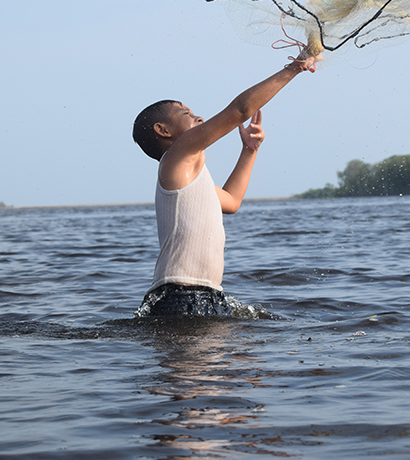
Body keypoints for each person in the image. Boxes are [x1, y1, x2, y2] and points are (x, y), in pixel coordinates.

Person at [132, 52, 321, 316]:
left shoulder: (190, 179)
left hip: (204, 296)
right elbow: (240, 110)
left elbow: (231, 201)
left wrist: (250, 150)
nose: (199, 118)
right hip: (180, 296)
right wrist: (294, 68)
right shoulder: (175, 158)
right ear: (163, 130)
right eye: (186, 113)